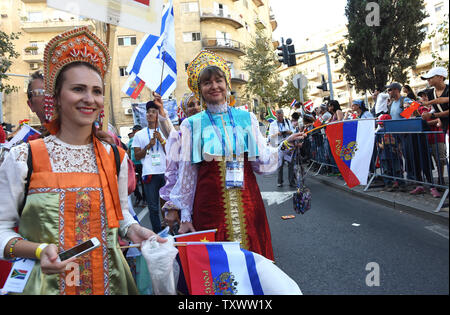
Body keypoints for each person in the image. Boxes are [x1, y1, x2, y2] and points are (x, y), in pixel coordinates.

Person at [0, 27, 165, 295]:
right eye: (78, 89)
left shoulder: (115, 157)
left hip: (110, 284)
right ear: (56, 96)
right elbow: (2, 228)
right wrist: (38, 250)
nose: (90, 99)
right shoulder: (23, 158)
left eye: (97, 91)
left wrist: (136, 232)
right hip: (45, 286)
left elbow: (120, 217)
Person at [170, 50, 304, 260]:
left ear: (227, 84)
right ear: (199, 89)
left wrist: (286, 145)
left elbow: (261, 163)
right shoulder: (191, 125)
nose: (214, 86)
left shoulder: (246, 118)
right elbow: (187, 174)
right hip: (208, 210)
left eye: (218, 80)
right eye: (207, 82)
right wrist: (185, 215)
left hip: (249, 206)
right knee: (218, 272)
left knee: (252, 267)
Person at [160, 93, 202, 231]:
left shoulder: (214, 131)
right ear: (184, 110)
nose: (196, 108)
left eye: (198, 103)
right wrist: (172, 205)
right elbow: (173, 172)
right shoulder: (179, 136)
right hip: (187, 201)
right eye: (191, 105)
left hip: (209, 196)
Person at [132, 101, 167, 233]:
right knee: (153, 207)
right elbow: (136, 156)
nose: (150, 114)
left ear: (158, 115)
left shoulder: (164, 131)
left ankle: (170, 230)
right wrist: (148, 146)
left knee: (167, 205)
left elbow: (171, 153)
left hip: (165, 172)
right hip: (149, 174)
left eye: (153, 112)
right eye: (148, 112)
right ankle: (158, 233)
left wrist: (162, 141)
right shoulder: (139, 135)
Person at [376, 114, 404, 191]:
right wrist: (379, 145)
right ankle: (389, 184)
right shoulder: (379, 131)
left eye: (382, 124)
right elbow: (377, 142)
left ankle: (400, 183)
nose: (381, 125)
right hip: (384, 154)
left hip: (394, 153)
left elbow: (399, 142)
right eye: (380, 124)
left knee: (397, 169)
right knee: (386, 170)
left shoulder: (395, 131)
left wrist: (399, 149)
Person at [268, 109, 296, 187]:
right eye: (278, 117)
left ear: (283, 115)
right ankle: (280, 181)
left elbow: (293, 131)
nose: (279, 118)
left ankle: (292, 181)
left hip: (288, 144)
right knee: (280, 164)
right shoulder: (273, 124)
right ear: (276, 116)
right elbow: (270, 136)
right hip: (280, 145)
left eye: (281, 116)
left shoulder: (287, 122)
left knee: (291, 163)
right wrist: (277, 133)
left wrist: (289, 132)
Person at [420, 66, 449, 136]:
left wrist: (432, 115)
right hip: (445, 127)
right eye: (427, 78)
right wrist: (426, 114)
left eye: (431, 77)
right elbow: (434, 109)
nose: (428, 80)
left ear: (441, 77)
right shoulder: (430, 93)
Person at [128, 125, 146, 207]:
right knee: (133, 182)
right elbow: (128, 151)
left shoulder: (143, 138)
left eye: (135, 130)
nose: (134, 132)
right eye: (133, 130)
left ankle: (145, 199)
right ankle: (138, 197)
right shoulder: (131, 140)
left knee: (143, 183)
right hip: (133, 164)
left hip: (142, 164)